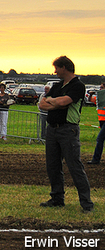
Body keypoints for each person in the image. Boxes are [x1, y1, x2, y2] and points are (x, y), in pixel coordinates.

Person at [38, 56, 93, 212]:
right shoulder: (57, 85)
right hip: (52, 129)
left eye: (57, 68)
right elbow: (42, 104)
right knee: (53, 166)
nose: (55, 72)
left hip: (68, 130)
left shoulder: (78, 86)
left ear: (64, 68)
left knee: (75, 166)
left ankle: (86, 203)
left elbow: (63, 102)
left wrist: (53, 101)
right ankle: (57, 198)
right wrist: (55, 103)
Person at [87, 83, 105, 164]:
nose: (100, 89)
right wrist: (90, 95)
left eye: (102, 88)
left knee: (100, 139)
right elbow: (90, 100)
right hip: (102, 121)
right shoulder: (100, 99)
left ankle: (96, 159)